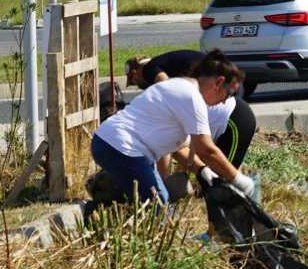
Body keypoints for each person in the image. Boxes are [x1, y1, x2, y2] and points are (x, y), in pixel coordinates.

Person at [90, 50, 253, 205]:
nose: (225, 101)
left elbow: (180, 147)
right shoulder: (191, 97)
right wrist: (239, 179)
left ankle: (99, 208)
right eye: (228, 94)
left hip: (111, 143)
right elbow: (206, 150)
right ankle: (92, 214)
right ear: (218, 83)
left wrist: (202, 170)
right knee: (157, 203)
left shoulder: (183, 87)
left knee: (155, 199)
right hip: (121, 147)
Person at [124, 50, 207, 90]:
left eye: (133, 82)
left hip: (203, 68)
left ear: (135, 73)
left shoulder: (148, 69)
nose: (138, 86)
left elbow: (167, 88)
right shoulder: (160, 63)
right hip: (207, 61)